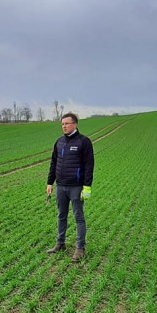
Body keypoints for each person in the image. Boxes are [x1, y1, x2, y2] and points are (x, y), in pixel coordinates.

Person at [46, 112, 94, 262]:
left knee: (79, 217)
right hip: (61, 186)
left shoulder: (83, 142)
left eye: (67, 123)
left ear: (75, 124)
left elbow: (89, 165)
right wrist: (50, 182)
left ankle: (80, 248)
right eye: (62, 124)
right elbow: (54, 163)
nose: (64, 126)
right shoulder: (59, 142)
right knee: (61, 215)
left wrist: (87, 186)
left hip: (76, 187)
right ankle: (60, 243)